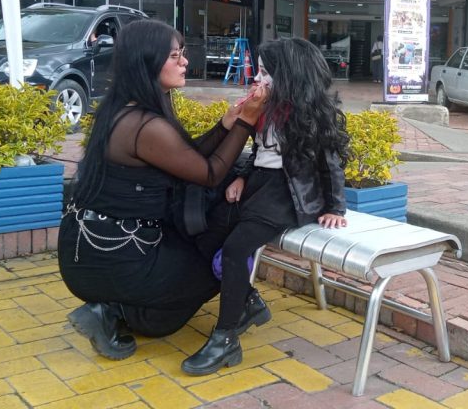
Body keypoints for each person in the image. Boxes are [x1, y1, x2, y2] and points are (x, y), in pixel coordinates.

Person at [58, 19, 268, 361]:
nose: (184, 61)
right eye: (175, 56)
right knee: (221, 268)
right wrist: (247, 121)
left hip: (88, 248)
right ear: (148, 62)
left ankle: (113, 309)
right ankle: (112, 310)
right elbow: (210, 174)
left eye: (182, 53)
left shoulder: (121, 111)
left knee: (159, 325)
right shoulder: (146, 125)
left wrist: (225, 124)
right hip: (118, 255)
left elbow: (184, 159)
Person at [182, 37, 350, 376]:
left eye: (264, 72)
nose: (256, 78)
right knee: (205, 230)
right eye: (257, 71)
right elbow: (260, 153)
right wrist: (241, 177)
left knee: (234, 249)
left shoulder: (308, 114)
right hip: (258, 185)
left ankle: (226, 336)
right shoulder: (263, 109)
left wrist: (336, 207)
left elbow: (330, 165)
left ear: (287, 75)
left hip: (285, 196)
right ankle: (248, 301)